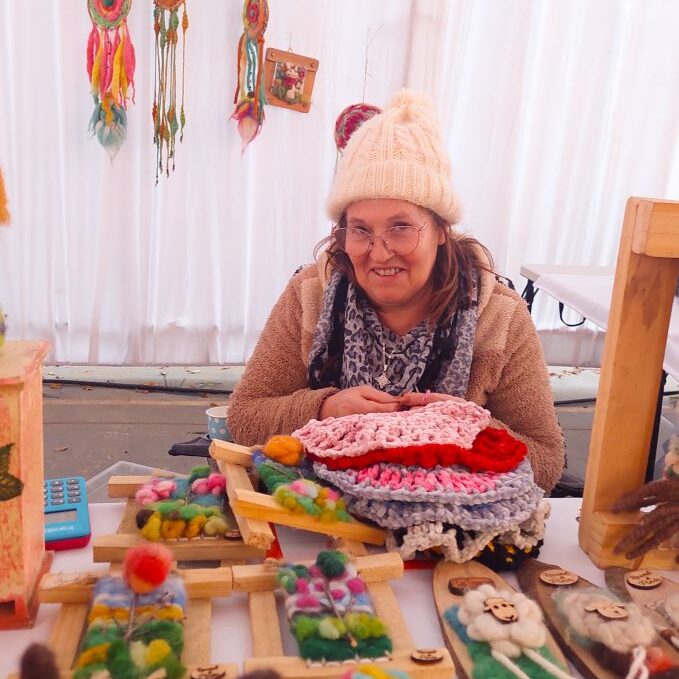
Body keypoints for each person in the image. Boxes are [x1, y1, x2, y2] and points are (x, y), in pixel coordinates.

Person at [228, 90, 564, 493]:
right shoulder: (310, 296)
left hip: (447, 531)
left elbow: (546, 461)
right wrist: (324, 409)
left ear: (441, 230)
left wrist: (469, 428)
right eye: (360, 230)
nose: (379, 251)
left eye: (401, 227)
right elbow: (245, 415)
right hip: (318, 514)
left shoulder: (499, 319)